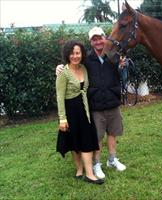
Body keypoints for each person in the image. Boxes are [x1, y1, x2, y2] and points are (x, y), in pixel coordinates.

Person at [56, 27, 126, 180]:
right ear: (90, 42)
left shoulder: (114, 56)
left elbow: (122, 75)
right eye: (94, 39)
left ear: (105, 37)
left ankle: (112, 159)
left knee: (113, 132)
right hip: (96, 105)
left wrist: (122, 67)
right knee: (97, 137)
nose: (98, 41)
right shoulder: (86, 59)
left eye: (100, 37)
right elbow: (72, 66)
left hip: (113, 102)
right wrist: (60, 67)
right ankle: (96, 164)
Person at [56, 40, 104, 185]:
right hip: (71, 111)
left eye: (77, 53)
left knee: (87, 141)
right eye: (72, 53)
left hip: (85, 109)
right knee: (74, 141)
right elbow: (59, 96)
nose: (75, 56)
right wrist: (62, 119)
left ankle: (89, 174)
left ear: (81, 54)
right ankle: (79, 169)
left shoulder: (83, 68)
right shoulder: (63, 73)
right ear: (67, 55)